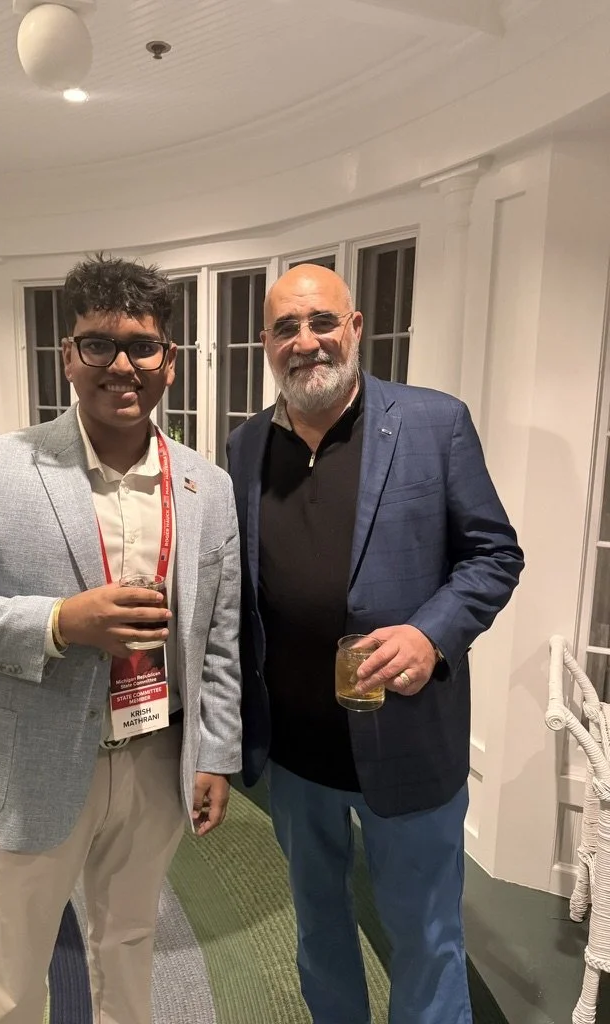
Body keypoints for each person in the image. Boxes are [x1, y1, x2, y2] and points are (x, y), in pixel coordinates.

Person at [0, 254, 242, 1024]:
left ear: (169, 362)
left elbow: (219, 636)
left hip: (155, 759)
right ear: (68, 357)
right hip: (28, 761)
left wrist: (215, 752)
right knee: (11, 977)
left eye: (142, 346)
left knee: (130, 944)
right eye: (98, 344)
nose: (122, 365)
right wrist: (56, 623)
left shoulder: (207, 487)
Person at [227, 263, 524, 1024]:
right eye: (287, 328)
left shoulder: (434, 423)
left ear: (354, 328)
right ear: (266, 343)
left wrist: (432, 634)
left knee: (425, 938)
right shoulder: (245, 445)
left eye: (322, 321)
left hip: (407, 743)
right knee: (319, 929)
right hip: (296, 757)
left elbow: (494, 555)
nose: (306, 342)